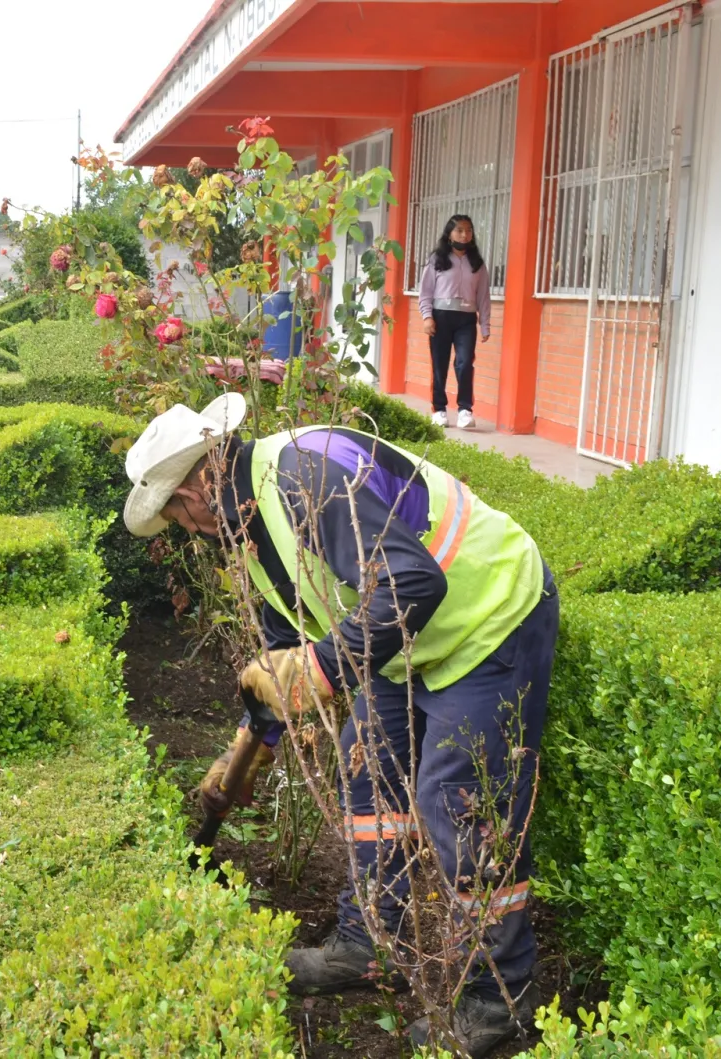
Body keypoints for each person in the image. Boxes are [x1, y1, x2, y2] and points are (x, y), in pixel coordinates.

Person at [122, 395, 558, 1058]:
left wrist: (320, 668)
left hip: (487, 616)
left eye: (177, 513)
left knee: (458, 805)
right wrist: (253, 740)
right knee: (365, 767)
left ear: (195, 487)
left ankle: (500, 1000)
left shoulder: (304, 481)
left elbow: (415, 582)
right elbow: (286, 644)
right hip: (404, 643)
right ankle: (369, 944)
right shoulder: (251, 522)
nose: (184, 528)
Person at [418, 215, 491, 430]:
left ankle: (465, 410)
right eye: (459, 230)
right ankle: (439, 410)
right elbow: (426, 292)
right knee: (439, 365)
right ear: (449, 233)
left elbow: (483, 296)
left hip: (466, 320)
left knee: (465, 363)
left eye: (468, 230)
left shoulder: (477, 263)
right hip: (441, 317)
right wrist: (427, 317)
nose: (464, 234)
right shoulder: (437, 260)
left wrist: (485, 324)